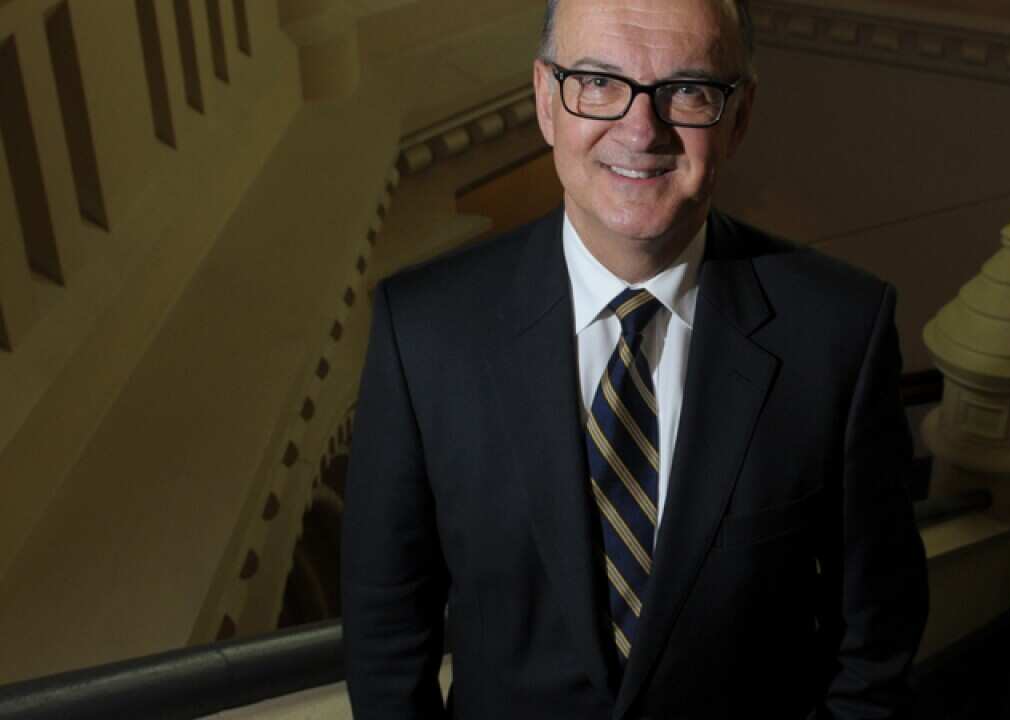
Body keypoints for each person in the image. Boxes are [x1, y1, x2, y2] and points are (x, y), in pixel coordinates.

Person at [341, 0, 929, 717]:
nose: (640, 129)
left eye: (687, 89)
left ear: (738, 116)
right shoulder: (424, 331)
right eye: (598, 80)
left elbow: (875, 641)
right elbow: (385, 638)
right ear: (545, 100)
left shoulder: (841, 333)